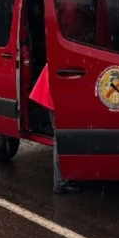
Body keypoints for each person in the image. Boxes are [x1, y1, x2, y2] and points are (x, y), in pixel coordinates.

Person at [29, 63, 79, 194]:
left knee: (62, 138)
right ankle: (60, 183)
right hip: (56, 97)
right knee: (61, 139)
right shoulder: (64, 59)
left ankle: (64, 179)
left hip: (54, 95)